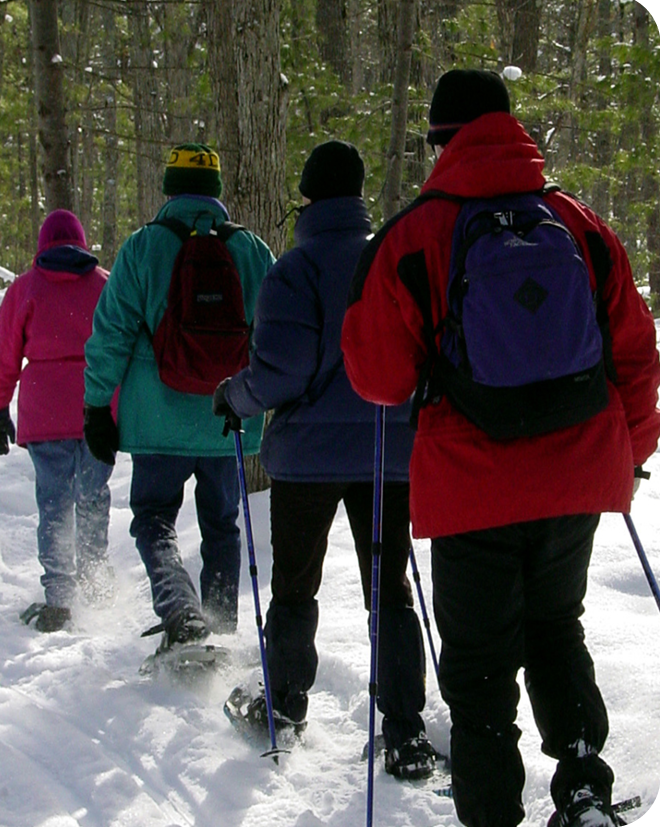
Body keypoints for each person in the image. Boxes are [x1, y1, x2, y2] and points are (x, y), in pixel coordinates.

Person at [341, 69, 660, 827]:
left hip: (469, 482)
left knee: (479, 655)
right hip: (579, 469)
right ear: (510, 129)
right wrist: (626, 455)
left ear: (441, 142)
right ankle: (582, 787)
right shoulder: (577, 221)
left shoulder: (414, 233)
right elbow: (636, 351)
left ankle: (489, 811)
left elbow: (378, 379)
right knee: (556, 626)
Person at [211, 140, 437, 776]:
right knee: (390, 590)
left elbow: (279, 371)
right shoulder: (389, 263)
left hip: (307, 459)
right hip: (385, 451)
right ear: (359, 194)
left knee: (293, 585)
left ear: (307, 197)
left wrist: (235, 396)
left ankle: (283, 705)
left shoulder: (293, 271)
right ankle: (404, 729)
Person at [83, 143, 274, 650]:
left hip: (156, 420)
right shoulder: (252, 251)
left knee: (152, 518)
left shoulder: (144, 247)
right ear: (217, 192)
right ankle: (220, 630)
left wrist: (96, 404)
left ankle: (181, 614)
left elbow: (111, 333)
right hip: (227, 418)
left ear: (168, 188)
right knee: (222, 525)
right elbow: (275, 335)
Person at [0, 209, 113, 633]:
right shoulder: (104, 286)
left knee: (54, 503)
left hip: (45, 414)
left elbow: (4, 354)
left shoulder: (25, 289)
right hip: (96, 409)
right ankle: (95, 588)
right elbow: (123, 344)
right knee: (93, 497)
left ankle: (59, 597)